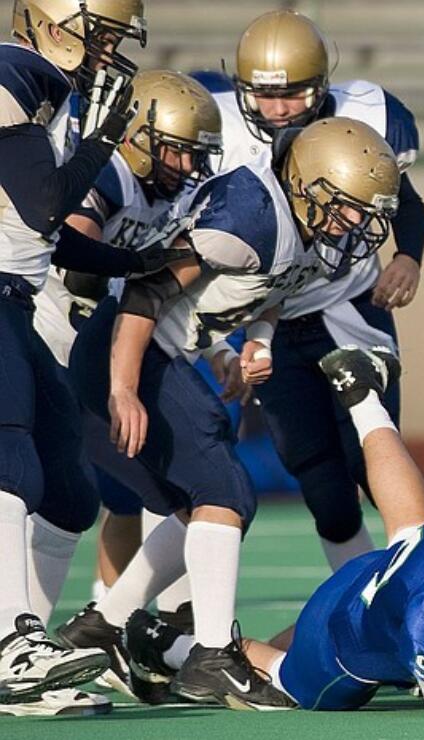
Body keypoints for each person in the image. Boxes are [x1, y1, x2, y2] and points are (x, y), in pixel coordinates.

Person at [55, 117, 400, 709]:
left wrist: (255, 342)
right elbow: (147, 292)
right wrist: (123, 388)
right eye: (347, 209)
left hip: (164, 351)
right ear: (306, 184)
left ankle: (103, 625)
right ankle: (211, 656)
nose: (356, 226)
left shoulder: (308, 229)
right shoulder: (252, 216)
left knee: (201, 501)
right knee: (227, 491)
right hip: (126, 344)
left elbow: (274, 291)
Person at [126, 347, 424, 717]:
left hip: (382, 579)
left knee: (416, 530)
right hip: (342, 644)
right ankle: (168, 644)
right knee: (284, 679)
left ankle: (363, 398)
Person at [193, 8, 424, 571]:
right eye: (262, 94)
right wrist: (222, 343)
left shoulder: (366, 114)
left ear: (322, 82)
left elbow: (407, 198)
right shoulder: (216, 128)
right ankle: (361, 592)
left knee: (367, 451)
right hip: (265, 317)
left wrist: (409, 257)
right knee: (322, 488)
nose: (276, 109)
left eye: (294, 93)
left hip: (345, 305)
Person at [0, 0, 166, 715]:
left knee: (69, 485)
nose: (107, 49)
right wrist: (100, 142)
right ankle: (12, 641)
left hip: (13, 297)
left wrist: (135, 259)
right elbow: (44, 204)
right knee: (11, 459)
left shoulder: (50, 94)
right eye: (99, 32)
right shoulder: (14, 71)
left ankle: (22, 662)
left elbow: (46, 239)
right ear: (45, 21)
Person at [29, 70, 222, 645]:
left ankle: (106, 621)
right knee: (47, 490)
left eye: (196, 156)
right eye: (177, 152)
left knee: (118, 490)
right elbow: (80, 262)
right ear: (140, 139)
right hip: (48, 336)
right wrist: (142, 265)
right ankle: (39, 636)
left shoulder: (180, 193)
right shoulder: (111, 173)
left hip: (95, 349)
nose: (187, 168)